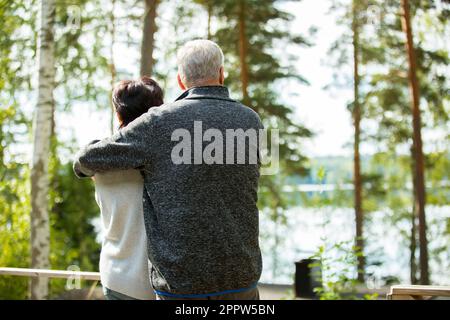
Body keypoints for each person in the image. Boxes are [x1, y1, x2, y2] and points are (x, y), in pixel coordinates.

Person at [74, 39, 263, 300]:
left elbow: (88, 159)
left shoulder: (160, 122)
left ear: (181, 80)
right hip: (241, 277)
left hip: (183, 284)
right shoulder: (251, 120)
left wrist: (82, 165)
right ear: (221, 74)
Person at [92, 77, 164, 300]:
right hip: (155, 283)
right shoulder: (163, 160)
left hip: (115, 276)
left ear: (118, 114)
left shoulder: (98, 159)